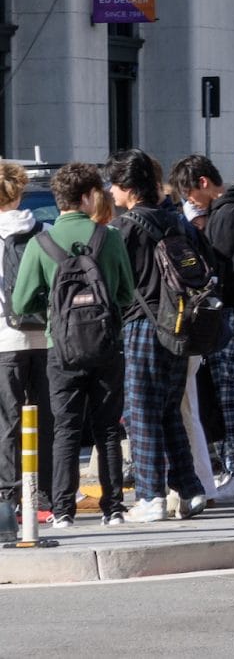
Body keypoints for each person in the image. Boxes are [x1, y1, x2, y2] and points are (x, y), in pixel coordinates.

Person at [11, 163, 136, 528]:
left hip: (60, 347)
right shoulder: (108, 237)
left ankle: (63, 509)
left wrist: (53, 312)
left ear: (58, 198)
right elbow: (126, 293)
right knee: (108, 428)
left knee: (65, 429)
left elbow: (20, 303)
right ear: (86, 197)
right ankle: (113, 508)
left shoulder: (41, 243)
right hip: (106, 344)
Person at [106, 149, 209, 524]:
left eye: (114, 184)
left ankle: (150, 496)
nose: (110, 191)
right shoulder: (175, 221)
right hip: (180, 325)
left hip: (142, 325)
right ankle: (190, 489)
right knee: (167, 409)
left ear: (129, 188)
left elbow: (115, 283)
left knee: (140, 413)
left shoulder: (125, 228)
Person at [168, 155, 234, 499]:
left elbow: (218, 272)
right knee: (230, 388)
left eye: (189, 194)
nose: (190, 203)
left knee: (229, 390)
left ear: (203, 183)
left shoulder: (226, 215)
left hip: (233, 311)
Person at [0, 163, 51, 537]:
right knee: (44, 420)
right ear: (20, 192)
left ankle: (6, 498)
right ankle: (42, 497)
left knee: (7, 422)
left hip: (4, 340)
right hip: (45, 338)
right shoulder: (42, 232)